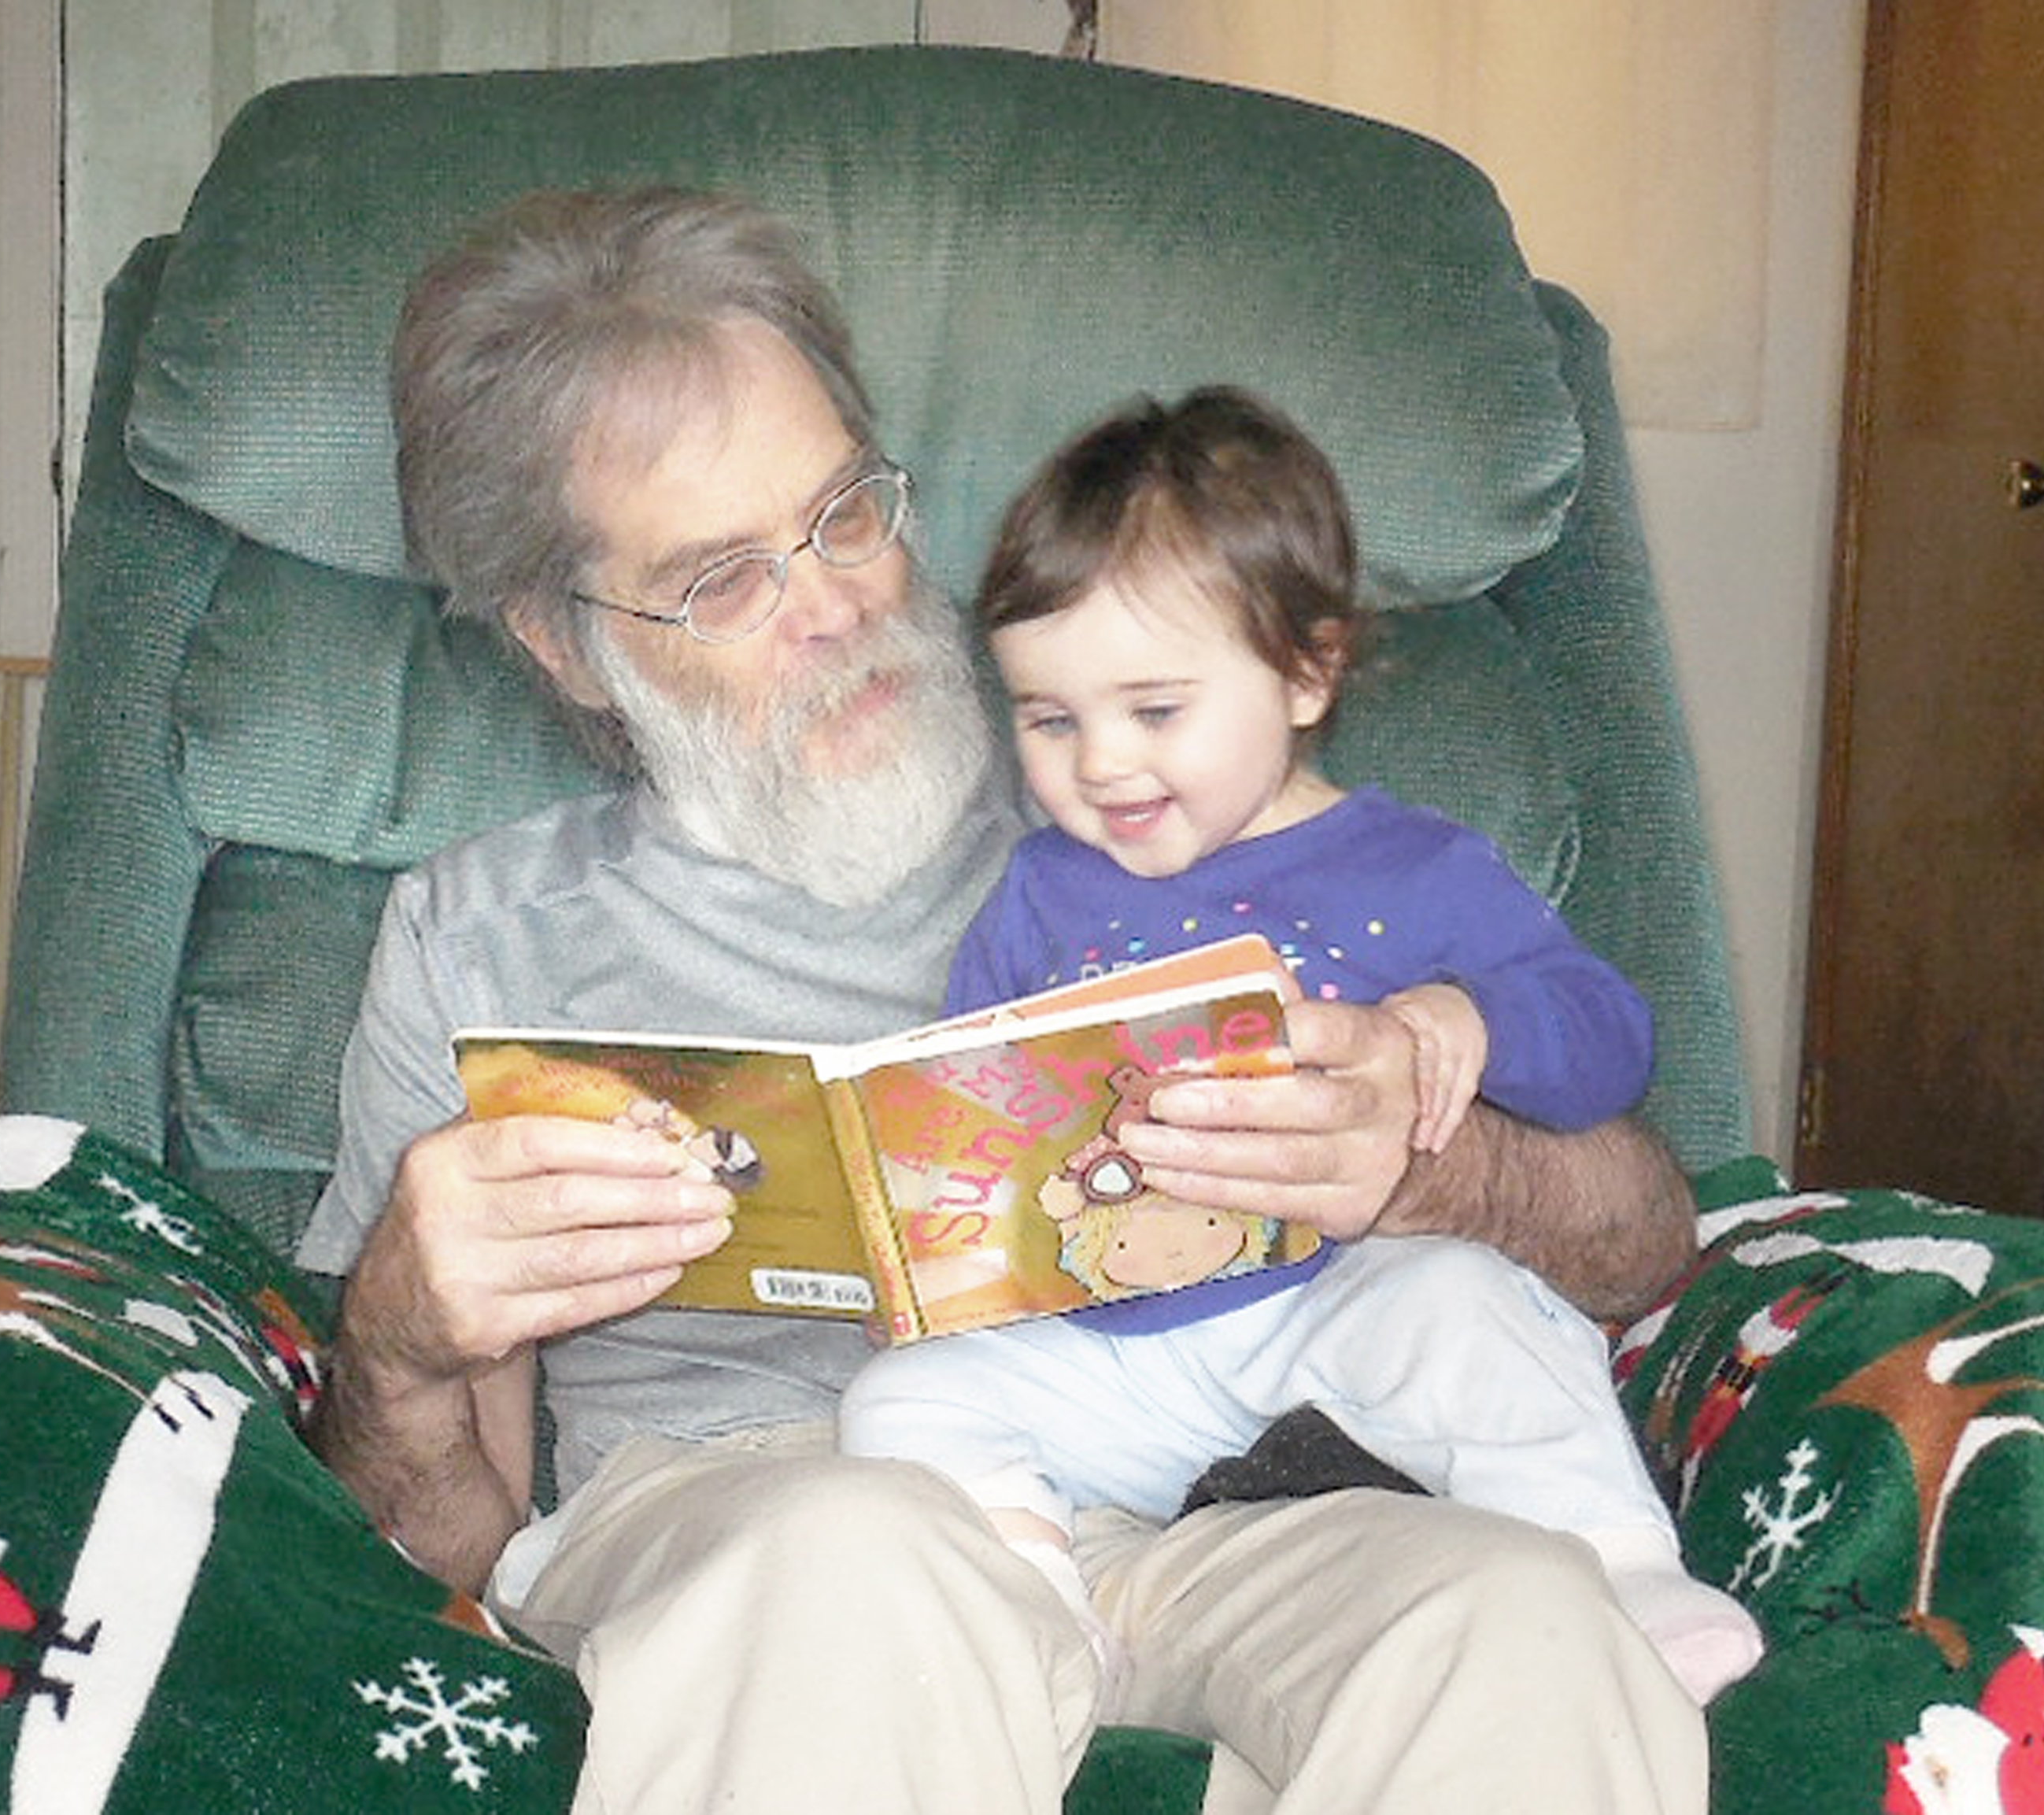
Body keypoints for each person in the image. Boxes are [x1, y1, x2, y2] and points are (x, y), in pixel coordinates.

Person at [296, 184, 1713, 1814]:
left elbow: (1644, 1242)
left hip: (1233, 1481)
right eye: (721, 580)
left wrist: (1420, 1160)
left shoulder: (1154, 760)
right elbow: (442, 1558)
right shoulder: (482, 939)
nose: (832, 599)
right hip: (770, 1514)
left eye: (843, 512)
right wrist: (397, 1343)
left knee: (1522, 1622)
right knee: (857, 1546)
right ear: (565, 642)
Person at [837, 386, 1763, 1708]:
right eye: (1048, 719)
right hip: (1111, 1351)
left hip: (1335, 1318)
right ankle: (1039, 1614)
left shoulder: (1417, 868)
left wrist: (1475, 1020)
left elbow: (1613, 1040)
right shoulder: (1038, 892)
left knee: (1470, 1305)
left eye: (1154, 710)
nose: (1099, 763)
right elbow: (960, 1112)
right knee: (902, 1399)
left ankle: (1624, 1570)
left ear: (1306, 670)